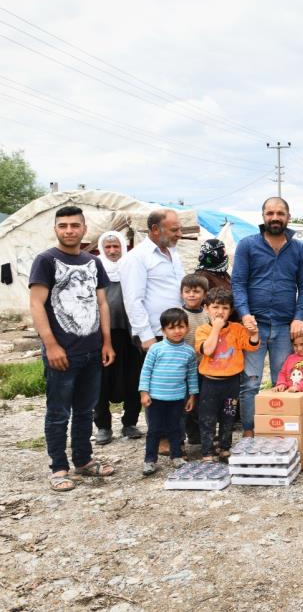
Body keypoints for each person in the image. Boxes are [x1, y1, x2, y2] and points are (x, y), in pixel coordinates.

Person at [29, 206, 116, 491]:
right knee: (58, 413)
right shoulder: (46, 260)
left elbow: (102, 303)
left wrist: (106, 342)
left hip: (92, 350)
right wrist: (51, 345)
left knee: (84, 410)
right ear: (56, 229)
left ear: (84, 228)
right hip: (62, 352)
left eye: (74, 225)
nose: (69, 230)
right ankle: (59, 467)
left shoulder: (93, 262)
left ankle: (83, 459)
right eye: (63, 225)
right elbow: (36, 304)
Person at [231, 197, 303, 437]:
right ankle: (249, 431)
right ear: (263, 216)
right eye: (270, 213)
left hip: (285, 327)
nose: (274, 218)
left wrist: (299, 317)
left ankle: (279, 431)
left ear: (288, 216)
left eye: (280, 213)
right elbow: (238, 283)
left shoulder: (298, 249)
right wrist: (244, 314)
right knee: (250, 383)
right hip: (254, 327)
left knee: (284, 381)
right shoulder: (247, 245)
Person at [195, 288, 259, 461]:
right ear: (206, 308)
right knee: (207, 418)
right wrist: (216, 328)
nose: (220, 312)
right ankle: (207, 451)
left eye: (224, 308)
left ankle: (225, 447)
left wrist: (254, 332)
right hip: (209, 382)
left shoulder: (237, 329)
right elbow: (207, 350)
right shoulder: (202, 330)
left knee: (228, 415)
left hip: (231, 382)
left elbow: (252, 345)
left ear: (230, 311)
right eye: (215, 307)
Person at [94, 230, 143, 445]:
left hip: (132, 334)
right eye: (108, 247)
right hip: (104, 335)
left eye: (116, 247)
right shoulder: (95, 269)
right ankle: (103, 426)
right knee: (101, 381)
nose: (113, 251)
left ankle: (129, 423)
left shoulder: (132, 268)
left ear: (123, 248)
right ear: (102, 249)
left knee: (134, 378)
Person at [139, 308, 197, 475]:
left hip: (177, 398)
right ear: (163, 330)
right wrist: (144, 392)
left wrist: (192, 395)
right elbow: (146, 371)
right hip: (155, 398)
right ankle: (149, 460)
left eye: (181, 327)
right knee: (154, 430)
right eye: (171, 328)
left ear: (187, 328)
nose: (177, 331)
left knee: (176, 429)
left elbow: (192, 375)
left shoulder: (189, 352)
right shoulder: (156, 349)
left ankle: (176, 456)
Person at [120, 209, 185, 351]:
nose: (180, 234)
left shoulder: (173, 253)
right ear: (155, 229)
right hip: (155, 335)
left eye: (180, 229)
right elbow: (133, 300)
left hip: (177, 331)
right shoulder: (136, 257)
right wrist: (146, 337)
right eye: (174, 230)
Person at [179, 274, 210, 445]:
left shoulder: (207, 316)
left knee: (199, 401)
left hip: (203, 366)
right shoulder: (179, 314)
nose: (191, 295)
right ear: (181, 293)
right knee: (184, 402)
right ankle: (179, 439)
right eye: (187, 291)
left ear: (204, 294)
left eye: (196, 291)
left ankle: (196, 435)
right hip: (183, 367)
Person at [273, 324, 303, 393]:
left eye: (302, 344)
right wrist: (281, 384)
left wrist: (299, 387)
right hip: (289, 397)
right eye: (295, 345)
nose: (299, 348)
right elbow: (282, 373)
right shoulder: (290, 358)